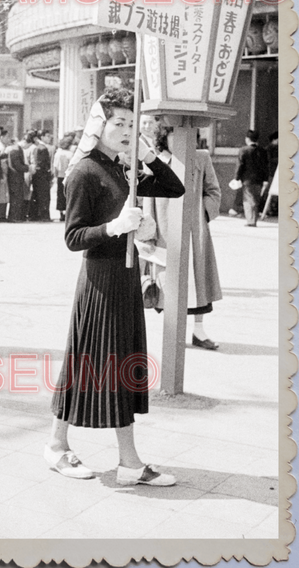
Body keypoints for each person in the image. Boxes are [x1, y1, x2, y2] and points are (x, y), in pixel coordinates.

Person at [46, 89, 185, 486]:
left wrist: (145, 155)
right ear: (99, 124)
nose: (126, 130)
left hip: (126, 276)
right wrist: (114, 227)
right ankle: (60, 447)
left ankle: (126, 460)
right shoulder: (84, 171)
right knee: (86, 362)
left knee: (118, 362)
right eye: (118, 122)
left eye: (131, 123)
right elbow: (73, 237)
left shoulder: (124, 168)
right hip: (99, 279)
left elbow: (175, 188)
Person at [141, 125, 223, 350]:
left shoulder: (201, 158)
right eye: (172, 134)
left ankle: (199, 331)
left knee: (199, 281)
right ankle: (172, 334)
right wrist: (149, 233)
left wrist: (202, 215)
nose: (179, 140)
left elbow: (214, 191)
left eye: (185, 134)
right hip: (165, 233)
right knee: (169, 284)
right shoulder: (155, 162)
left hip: (195, 233)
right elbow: (147, 199)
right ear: (163, 137)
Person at [234, 129, 269, 227]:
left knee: (248, 200)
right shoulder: (263, 151)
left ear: (247, 139)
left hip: (247, 180)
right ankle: (254, 219)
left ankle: (251, 221)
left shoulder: (243, 150)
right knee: (255, 199)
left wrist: (236, 177)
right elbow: (266, 166)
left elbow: (240, 165)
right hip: (259, 180)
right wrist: (266, 179)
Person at [29, 130, 53, 222]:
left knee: (37, 195)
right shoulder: (42, 148)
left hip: (38, 176)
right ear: (41, 137)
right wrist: (48, 174)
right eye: (47, 136)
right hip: (42, 176)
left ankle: (35, 215)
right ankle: (44, 216)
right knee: (44, 197)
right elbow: (42, 164)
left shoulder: (38, 147)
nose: (49, 138)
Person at [7, 134, 29, 222]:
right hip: (16, 177)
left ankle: (14, 216)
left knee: (16, 198)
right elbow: (18, 166)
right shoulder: (14, 152)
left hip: (14, 177)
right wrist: (28, 168)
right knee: (17, 198)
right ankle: (15, 217)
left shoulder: (12, 151)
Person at [53, 132, 75, 222]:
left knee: (60, 195)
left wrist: (55, 176)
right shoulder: (70, 154)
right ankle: (67, 213)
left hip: (60, 176)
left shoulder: (58, 153)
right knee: (68, 195)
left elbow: (55, 166)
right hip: (68, 176)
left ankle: (61, 213)